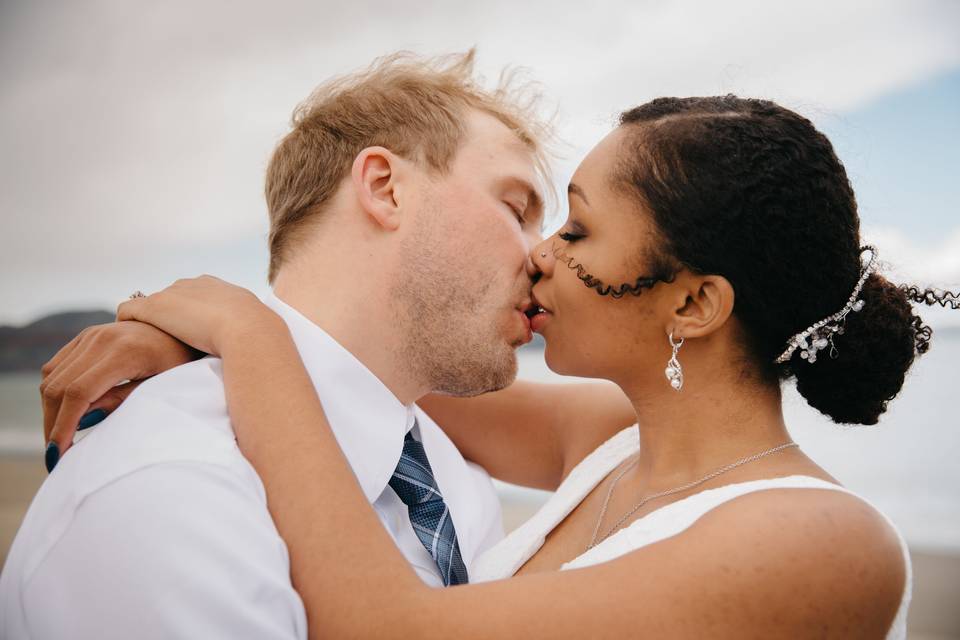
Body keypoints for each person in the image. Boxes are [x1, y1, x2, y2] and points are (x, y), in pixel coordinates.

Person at [33, 95, 960, 638]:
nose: (542, 256)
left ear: (693, 304)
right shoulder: (609, 441)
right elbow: (361, 371)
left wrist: (243, 330)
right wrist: (181, 339)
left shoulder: (824, 543)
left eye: (578, 228)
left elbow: (387, 626)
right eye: (539, 218)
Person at [4, 51, 632, 639]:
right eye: (516, 208)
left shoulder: (451, 477)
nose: (542, 256)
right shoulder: (170, 493)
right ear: (385, 187)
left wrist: (243, 339)